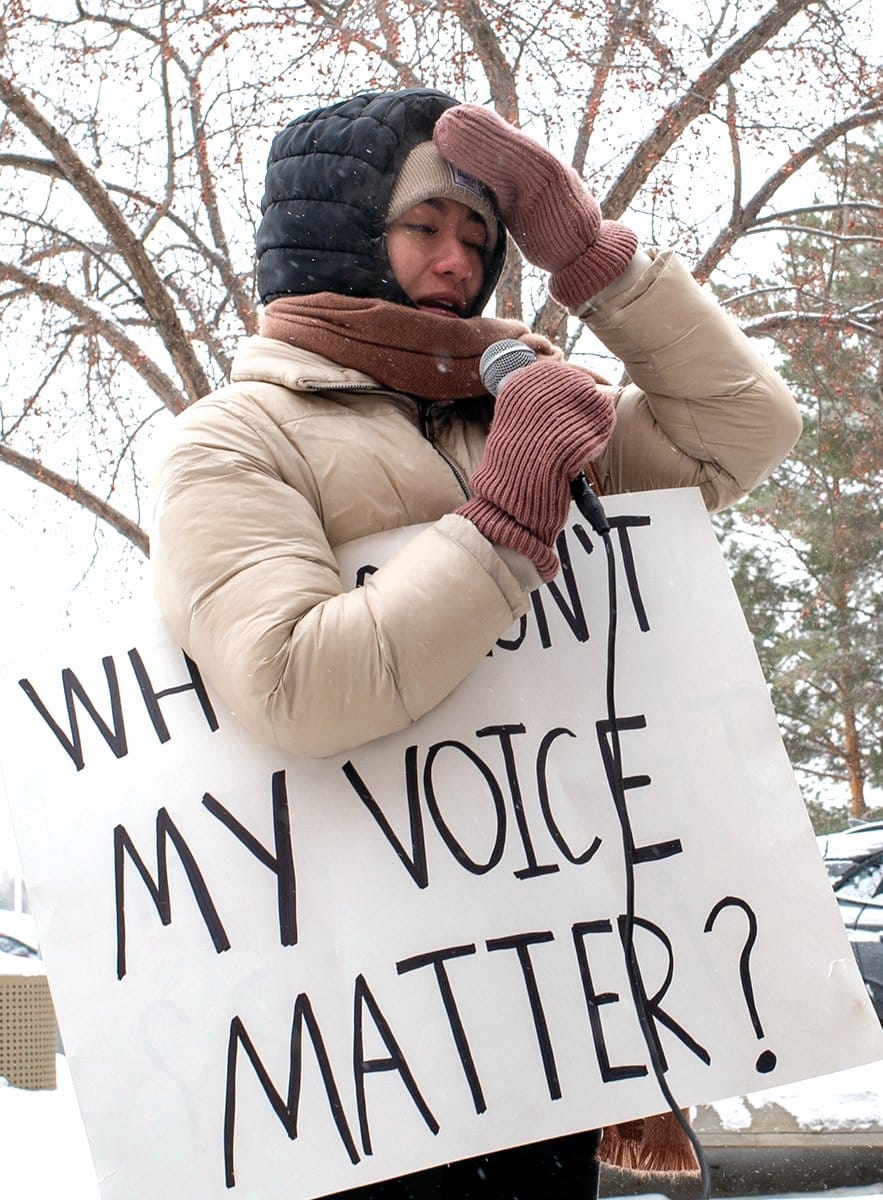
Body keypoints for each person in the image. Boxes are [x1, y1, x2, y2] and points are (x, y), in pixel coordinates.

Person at [151, 88, 801, 1197]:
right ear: (341, 227)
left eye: (478, 236)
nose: (457, 260)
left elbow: (742, 431)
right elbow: (296, 683)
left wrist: (593, 259)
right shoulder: (236, 438)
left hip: (541, 1015)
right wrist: (503, 523)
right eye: (423, 227)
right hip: (373, 1031)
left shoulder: (520, 407)